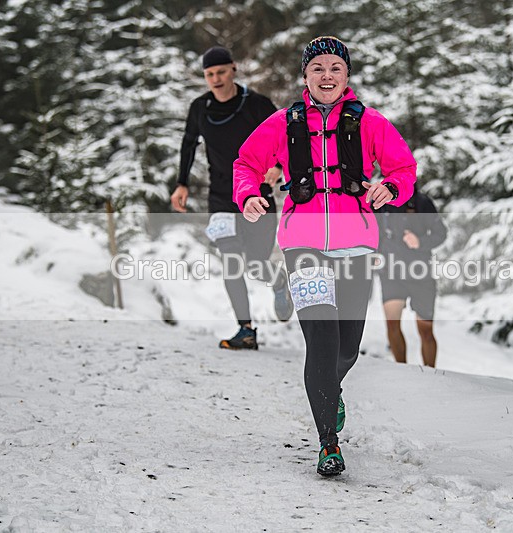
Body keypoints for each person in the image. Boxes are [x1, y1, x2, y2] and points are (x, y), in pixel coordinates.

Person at [233, 36, 416, 476]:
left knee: (347, 347)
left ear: (347, 75)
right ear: (305, 76)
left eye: (335, 67)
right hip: (304, 246)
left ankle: (330, 391)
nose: (327, 75)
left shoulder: (369, 122)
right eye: (318, 68)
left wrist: (389, 188)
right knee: (322, 340)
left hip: (356, 246)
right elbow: (246, 164)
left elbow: (403, 170)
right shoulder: (283, 122)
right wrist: (248, 195)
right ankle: (327, 444)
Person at [171, 46, 293, 350]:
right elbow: (189, 144)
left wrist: (278, 166)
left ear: (234, 69)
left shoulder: (257, 104)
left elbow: (285, 138)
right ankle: (246, 330)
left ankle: (278, 281)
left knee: (254, 264)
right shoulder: (200, 108)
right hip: (222, 197)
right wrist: (181, 183)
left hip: (258, 195)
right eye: (210, 74)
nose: (216, 78)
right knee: (231, 261)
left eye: (221, 72)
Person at [376, 187, 447, 368]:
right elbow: (370, 229)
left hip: (420, 274)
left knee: (426, 331)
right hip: (391, 274)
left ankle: (430, 373)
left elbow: (441, 233)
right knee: (392, 326)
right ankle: (402, 370)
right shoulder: (380, 202)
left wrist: (420, 242)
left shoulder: (422, 202)